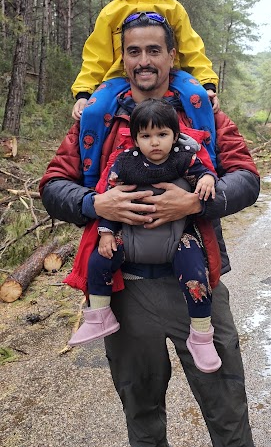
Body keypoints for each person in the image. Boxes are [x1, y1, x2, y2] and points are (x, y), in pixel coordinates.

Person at [40, 13, 271, 447]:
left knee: (227, 408)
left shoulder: (200, 116)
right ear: (122, 57)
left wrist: (200, 201)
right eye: (134, 51)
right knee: (143, 413)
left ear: (172, 55)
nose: (144, 61)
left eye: (155, 50)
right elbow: (53, 183)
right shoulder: (99, 119)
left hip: (194, 290)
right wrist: (93, 202)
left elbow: (246, 176)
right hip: (123, 294)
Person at [67, 98, 222, 373]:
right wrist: (106, 233)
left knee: (196, 276)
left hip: (178, 238)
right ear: (135, 138)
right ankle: (99, 315)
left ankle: (201, 335)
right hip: (130, 235)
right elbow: (112, 200)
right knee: (99, 260)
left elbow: (203, 173)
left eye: (162, 135)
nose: (155, 143)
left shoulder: (184, 158)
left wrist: (208, 178)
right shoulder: (125, 163)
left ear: (175, 135)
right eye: (146, 135)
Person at [71, 0, 219, 186]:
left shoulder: (173, 8)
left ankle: (209, 166)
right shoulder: (111, 12)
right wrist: (83, 92)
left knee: (200, 99)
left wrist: (207, 83)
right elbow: (96, 55)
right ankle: (91, 178)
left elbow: (192, 48)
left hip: (172, 74)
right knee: (94, 111)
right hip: (120, 78)